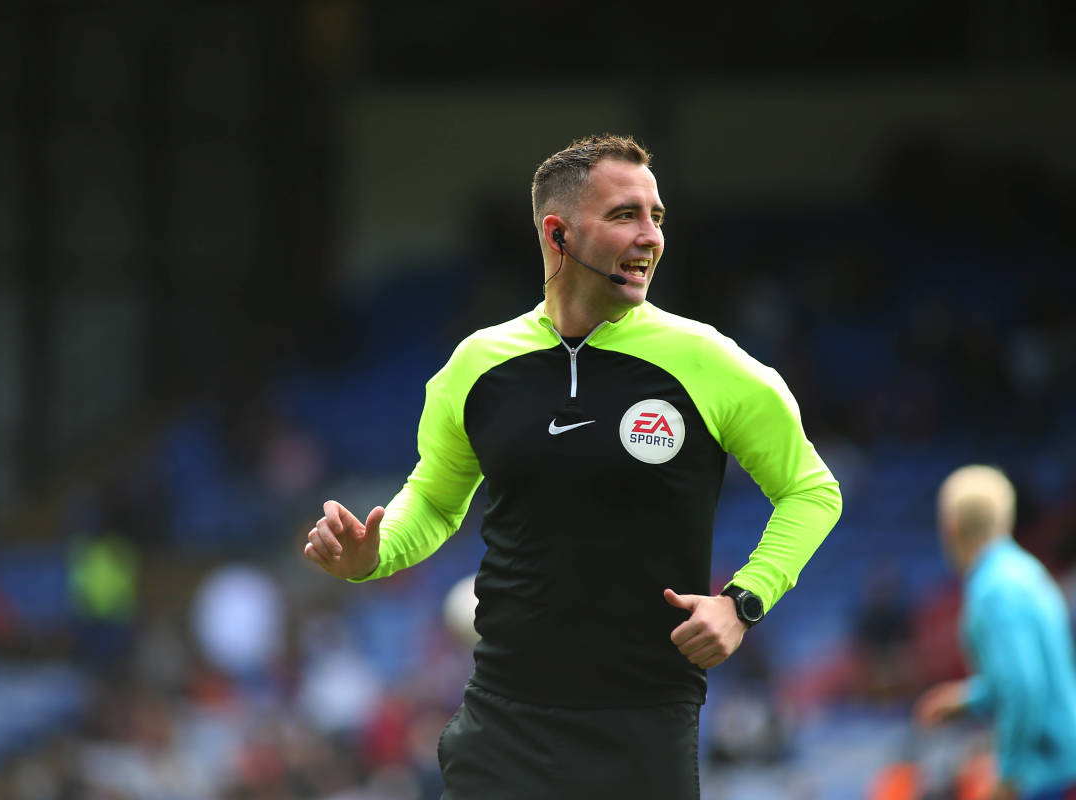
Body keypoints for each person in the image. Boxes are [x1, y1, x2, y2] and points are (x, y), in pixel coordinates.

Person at [304, 134, 842, 799]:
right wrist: (375, 554)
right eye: (625, 215)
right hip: (501, 721)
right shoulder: (477, 366)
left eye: (656, 217)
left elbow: (811, 491)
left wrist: (743, 601)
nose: (650, 237)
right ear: (558, 234)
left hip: (644, 725)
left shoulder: (710, 362)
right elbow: (437, 502)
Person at [914, 465, 1076, 800]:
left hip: (1045, 772)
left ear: (950, 527)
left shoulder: (995, 590)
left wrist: (1010, 775)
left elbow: (1024, 686)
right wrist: (967, 699)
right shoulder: (1024, 571)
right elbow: (1026, 675)